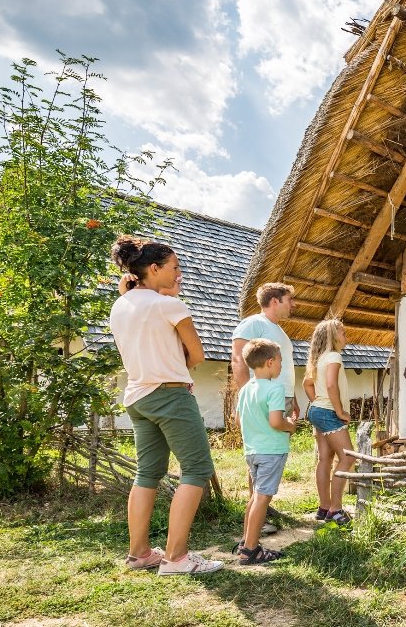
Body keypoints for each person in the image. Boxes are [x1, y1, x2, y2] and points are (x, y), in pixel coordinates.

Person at [110, 236, 222, 575]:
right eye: (174, 268)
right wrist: (174, 366)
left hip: (137, 397)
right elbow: (198, 355)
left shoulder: (122, 305)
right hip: (170, 395)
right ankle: (176, 558)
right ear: (154, 269)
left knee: (147, 474)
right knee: (197, 470)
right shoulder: (169, 305)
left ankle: (140, 554)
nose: (180, 274)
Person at [232, 282, 298, 531]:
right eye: (289, 300)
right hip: (261, 398)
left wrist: (294, 398)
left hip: (281, 396)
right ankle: (257, 517)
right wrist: (244, 398)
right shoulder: (253, 324)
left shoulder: (279, 330)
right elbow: (238, 359)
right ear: (274, 301)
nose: (293, 305)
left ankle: (262, 506)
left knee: (272, 453)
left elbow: (287, 368)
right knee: (262, 451)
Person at [234, 338, 295, 564]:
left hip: (252, 451)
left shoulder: (245, 390)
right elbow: (276, 422)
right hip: (272, 450)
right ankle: (250, 550)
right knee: (262, 498)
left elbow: (238, 420)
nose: (281, 365)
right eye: (280, 361)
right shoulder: (275, 388)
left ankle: (246, 541)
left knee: (255, 496)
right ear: (270, 362)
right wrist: (291, 425)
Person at [302, 318, 356, 525]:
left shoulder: (318, 358)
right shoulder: (334, 356)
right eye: (343, 333)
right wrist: (339, 410)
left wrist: (317, 401)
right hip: (328, 412)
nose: (346, 337)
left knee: (325, 459)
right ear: (333, 336)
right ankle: (335, 509)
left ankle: (324, 507)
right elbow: (332, 385)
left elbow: (307, 384)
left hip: (316, 410)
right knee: (347, 458)